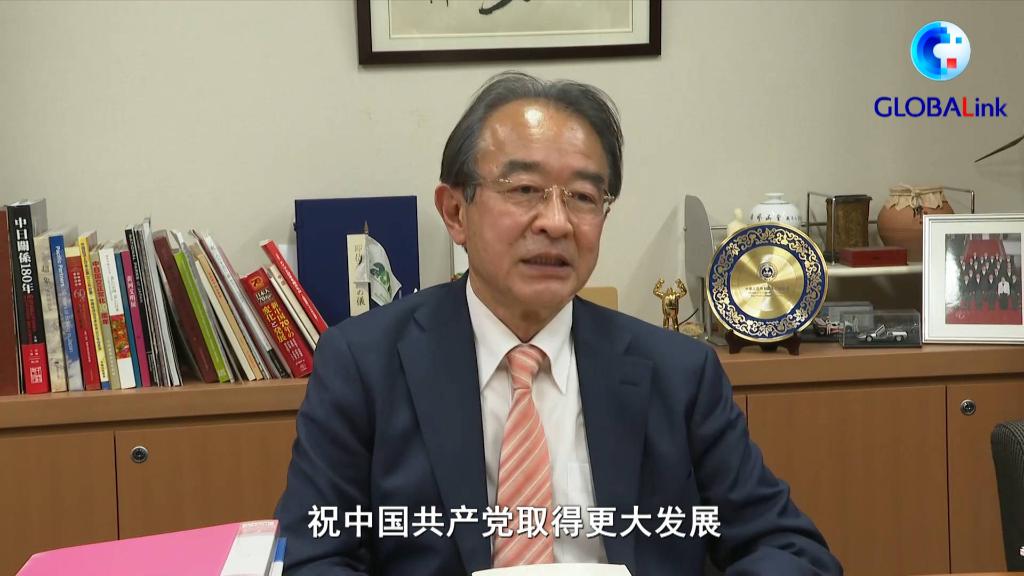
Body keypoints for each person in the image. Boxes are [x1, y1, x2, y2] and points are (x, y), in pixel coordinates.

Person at [274, 71, 842, 575]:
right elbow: (313, 556)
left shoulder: (679, 374)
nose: (556, 222)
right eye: (524, 190)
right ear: (455, 211)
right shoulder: (363, 364)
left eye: (583, 197)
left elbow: (790, 549)